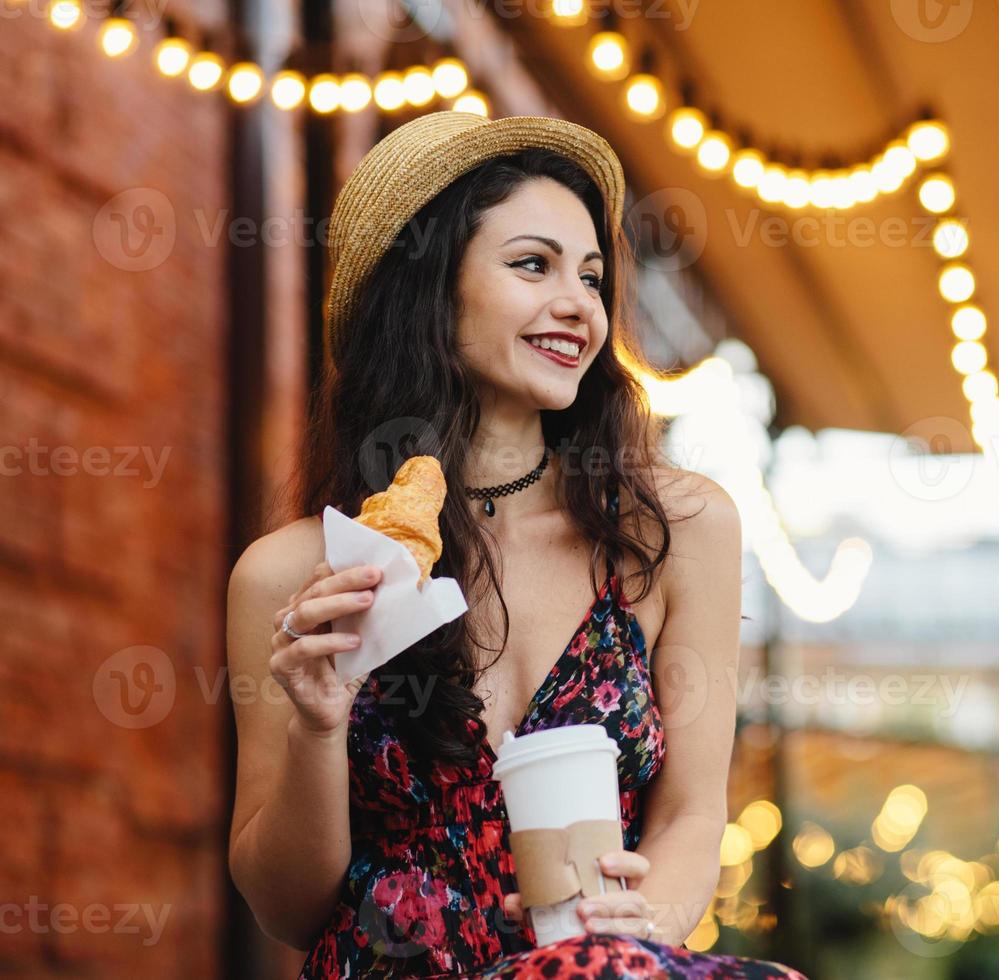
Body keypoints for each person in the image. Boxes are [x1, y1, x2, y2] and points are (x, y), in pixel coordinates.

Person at [226, 112, 806, 979]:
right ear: (425, 289)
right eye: (532, 264)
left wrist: (639, 924)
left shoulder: (679, 529)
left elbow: (691, 814)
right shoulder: (299, 570)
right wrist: (317, 723)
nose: (579, 302)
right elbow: (288, 905)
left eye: (592, 275)